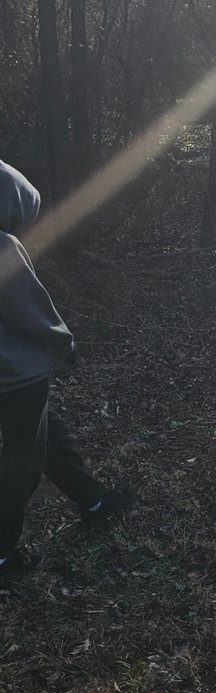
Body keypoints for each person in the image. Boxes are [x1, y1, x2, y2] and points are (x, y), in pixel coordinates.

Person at [0, 159, 129, 580]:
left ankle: (91, 499)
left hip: (13, 378)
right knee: (23, 459)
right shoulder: (2, 247)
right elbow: (31, 312)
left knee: (46, 432)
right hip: (15, 375)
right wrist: (65, 344)